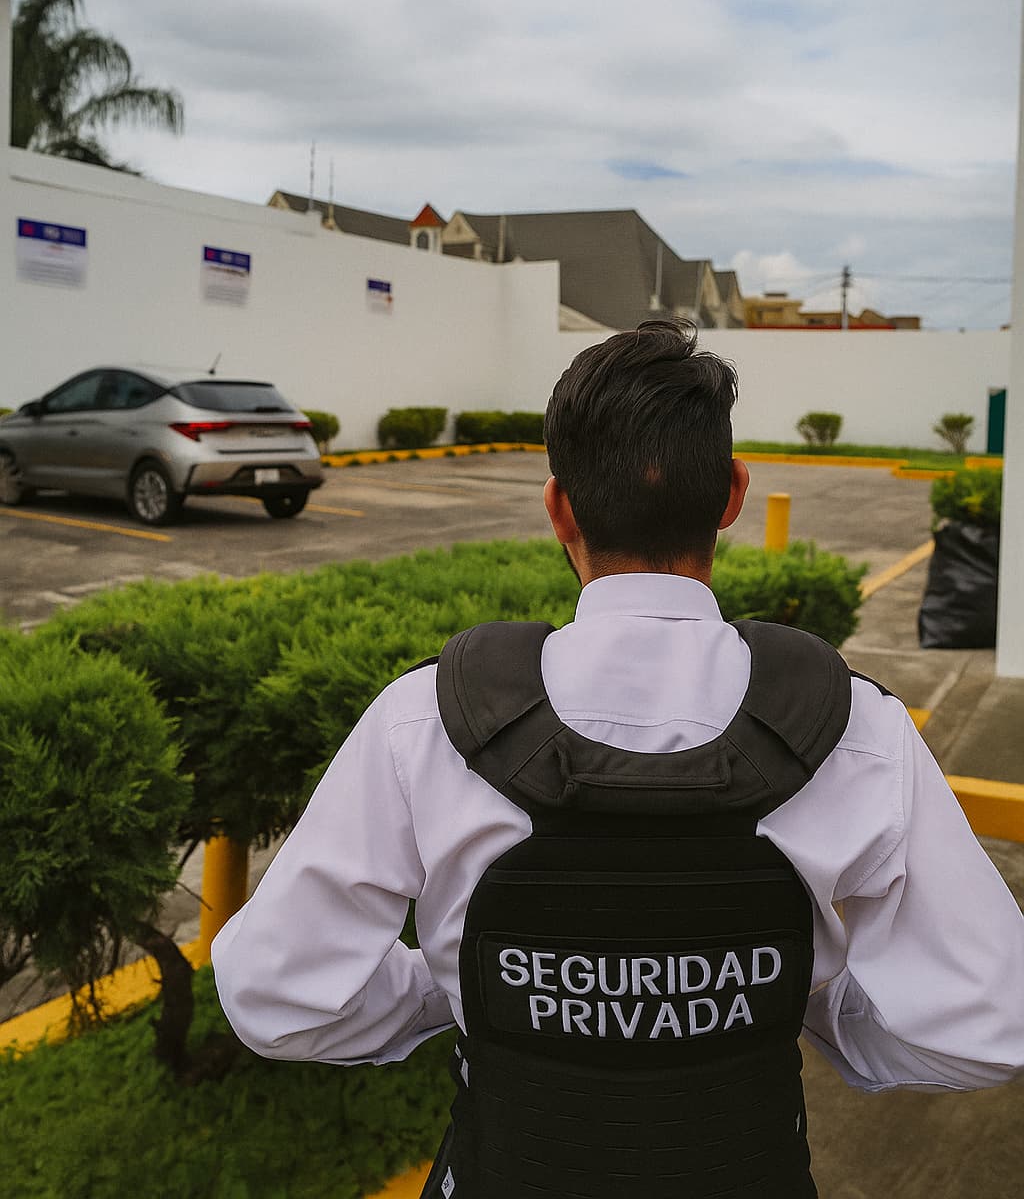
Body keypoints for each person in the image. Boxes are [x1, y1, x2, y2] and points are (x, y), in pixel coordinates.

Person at [212, 321, 1024, 1197]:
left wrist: (464, 993)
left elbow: (276, 993)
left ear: (559, 507)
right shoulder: (859, 730)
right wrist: (804, 1002)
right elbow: (987, 1023)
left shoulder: (423, 721)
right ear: (732, 495)